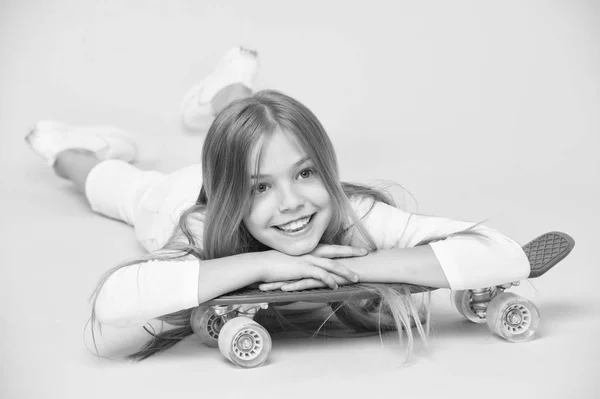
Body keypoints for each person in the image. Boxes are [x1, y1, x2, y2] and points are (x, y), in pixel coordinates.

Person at [25, 49, 531, 362]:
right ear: (234, 196)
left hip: (229, 172)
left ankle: (228, 89)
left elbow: (507, 255)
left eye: (306, 173)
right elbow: (113, 304)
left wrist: (352, 268)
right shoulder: (200, 226)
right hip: (174, 197)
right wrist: (267, 261)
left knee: (255, 129)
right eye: (260, 187)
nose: (292, 204)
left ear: (326, 170)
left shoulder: (354, 214)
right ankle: (59, 147)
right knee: (115, 184)